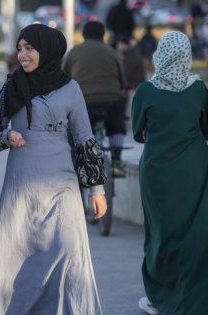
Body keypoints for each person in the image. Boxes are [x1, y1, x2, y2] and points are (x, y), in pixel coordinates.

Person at [0, 24, 107, 314]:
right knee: (15, 254)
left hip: (62, 182)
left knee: (67, 250)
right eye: (20, 48)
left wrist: (96, 190)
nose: (22, 55)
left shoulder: (71, 88)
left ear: (46, 50)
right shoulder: (10, 87)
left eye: (29, 48)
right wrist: (6, 137)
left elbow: (84, 139)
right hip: (21, 186)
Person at [132, 31, 208, 315]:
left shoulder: (146, 91)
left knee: (161, 233)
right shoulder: (199, 90)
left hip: (157, 173)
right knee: (193, 233)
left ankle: (159, 295)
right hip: (194, 173)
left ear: (160, 54)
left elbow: (138, 134)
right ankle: (192, 293)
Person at [64, 21, 128, 177]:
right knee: (116, 127)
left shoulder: (74, 52)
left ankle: (75, 162)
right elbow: (123, 83)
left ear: (83, 34)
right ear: (103, 35)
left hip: (84, 103)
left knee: (75, 133)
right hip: (112, 102)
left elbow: (64, 78)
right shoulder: (112, 52)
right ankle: (116, 162)